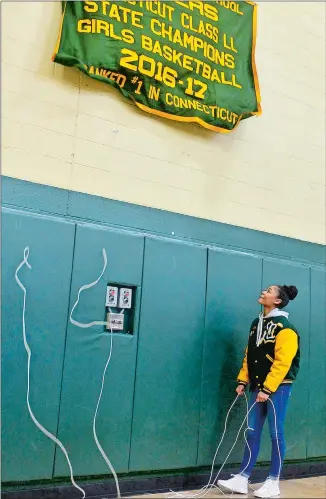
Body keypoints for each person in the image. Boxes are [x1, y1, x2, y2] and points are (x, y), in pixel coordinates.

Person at [218, 284, 300, 498]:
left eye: (269, 291)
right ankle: (243, 478)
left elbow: (283, 363)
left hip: (277, 389)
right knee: (252, 432)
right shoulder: (257, 323)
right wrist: (243, 381)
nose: (264, 292)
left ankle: (273, 482)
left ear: (278, 300)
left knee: (276, 433)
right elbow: (249, 355)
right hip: (258, 387)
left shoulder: (286, 328)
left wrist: (268, 388)